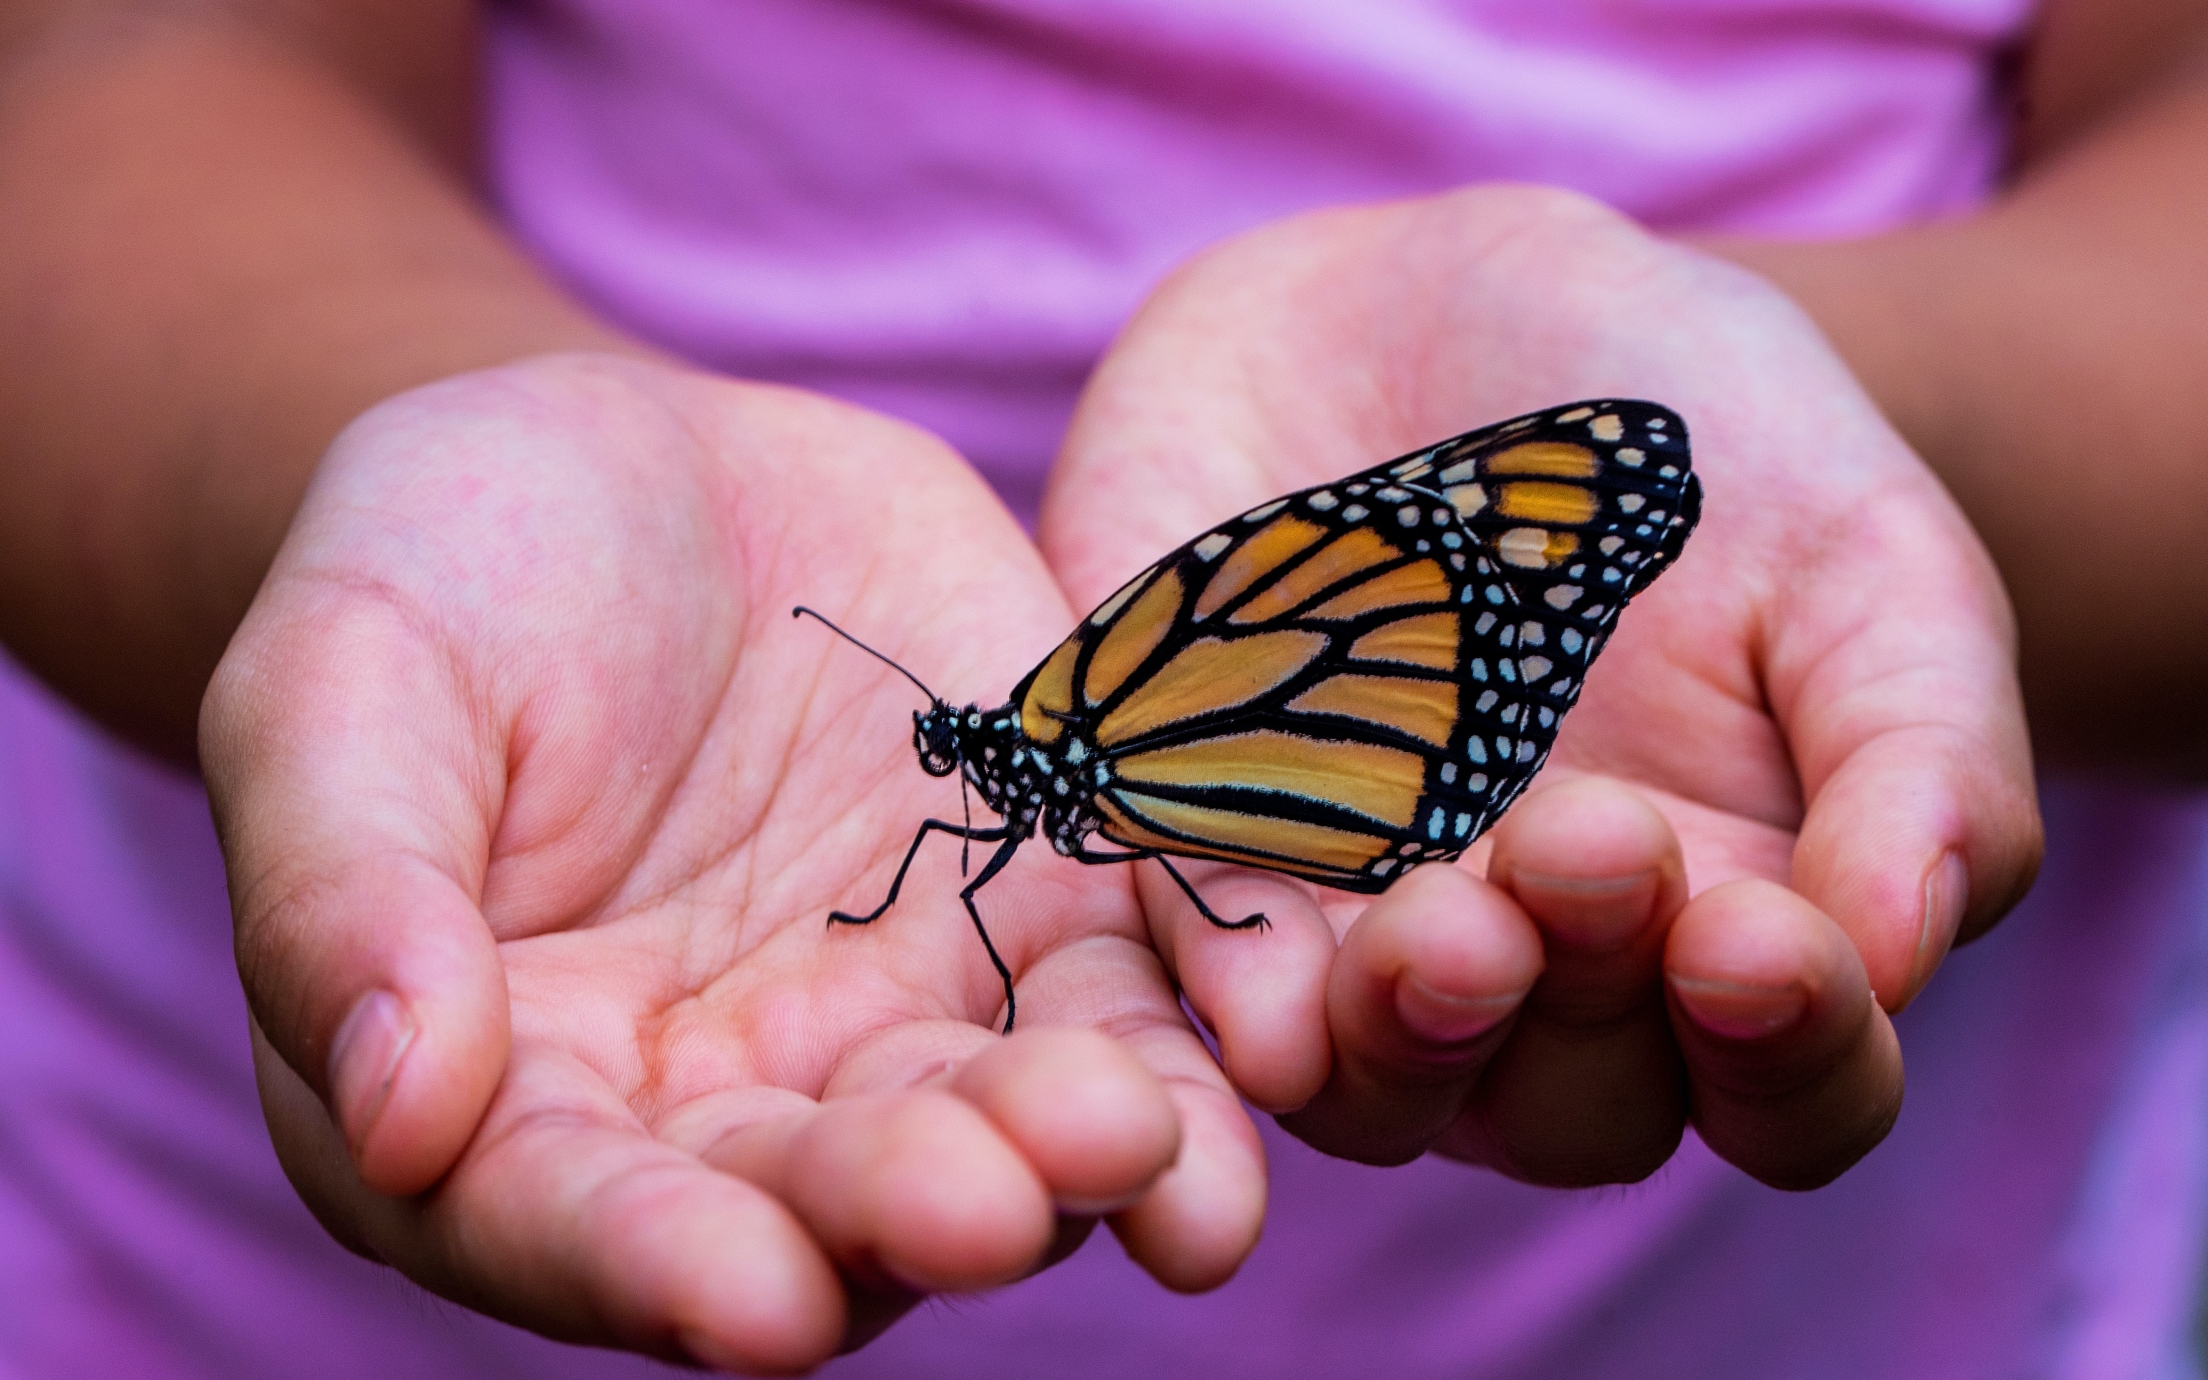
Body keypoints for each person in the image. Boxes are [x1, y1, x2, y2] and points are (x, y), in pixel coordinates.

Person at [0, 0, 2198, 1375]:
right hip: (230, 1269)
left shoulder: (1098, 718)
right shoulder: (1067, 745)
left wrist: (1884, 436)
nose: (966, 763)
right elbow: (120, 70)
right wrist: (403, 467)